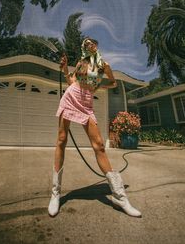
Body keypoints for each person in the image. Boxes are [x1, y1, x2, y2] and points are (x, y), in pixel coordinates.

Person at [48, 37, 141, 218]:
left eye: (91, 42)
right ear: (83, 47)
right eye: (85, 43)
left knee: (98, 145)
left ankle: (120, 197)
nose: (88, 45)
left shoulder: (104, 65)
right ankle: (55, 193)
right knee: (61, 140)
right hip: (71, 97)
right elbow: (71, 82)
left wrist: (97, 86)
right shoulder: (81, 62)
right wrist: (66, 69)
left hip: (86, 103)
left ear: (96, 45)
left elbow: (113, 83)